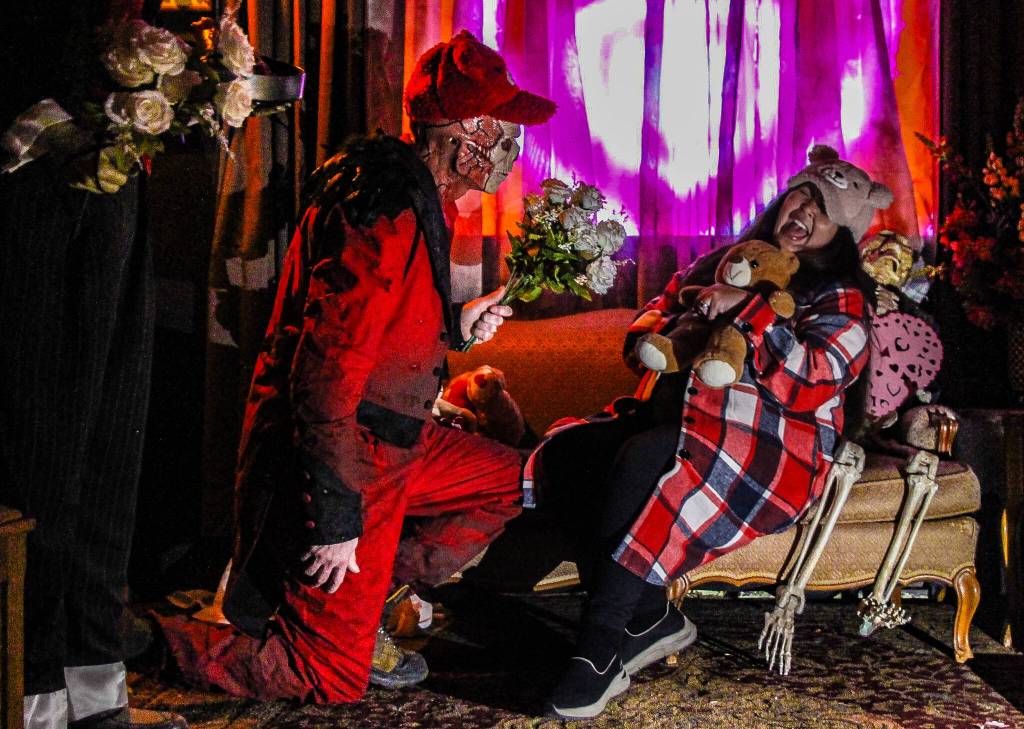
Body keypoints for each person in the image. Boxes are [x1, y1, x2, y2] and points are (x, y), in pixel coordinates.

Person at [155, 30, 556, 703]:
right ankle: (143, 638)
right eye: (501, 128)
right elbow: (326, 374)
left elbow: (384, 333)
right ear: (463, 135)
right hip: (352, 455)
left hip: (398, 443)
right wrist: (337, 517)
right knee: (331, 679)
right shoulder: (384, 210)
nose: (511, 149)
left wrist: (458, 323)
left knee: (525, 476)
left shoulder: (419, 199)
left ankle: (364, 602)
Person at [536, 146, 890, 720]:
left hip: (775, 447)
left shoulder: (841, 298)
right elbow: (650, 317)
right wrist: (675, 325)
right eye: (803, 194)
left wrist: (748, 314)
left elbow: (815, 379)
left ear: (843, 232)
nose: (805, 212)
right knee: (573, 452)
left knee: (645, 459)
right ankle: (652, 614)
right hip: (683, 417)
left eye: (824, 211)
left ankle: (597, 650)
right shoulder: (727, 260)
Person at [0, 4, 189, 729]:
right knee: (44, 444)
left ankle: (94, 685)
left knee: (115, 433)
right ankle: (35, 691)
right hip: (35, 170)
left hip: (112, 171)